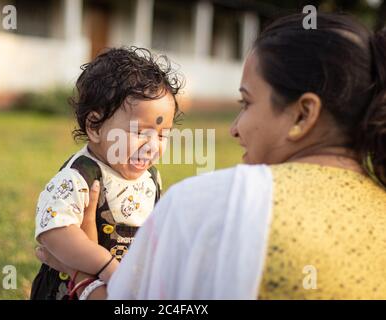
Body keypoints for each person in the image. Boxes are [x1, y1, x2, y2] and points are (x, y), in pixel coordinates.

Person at [37, 12, 386, 299]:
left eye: (246, 102)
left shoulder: (211, 205)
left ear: (303, 114)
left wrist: (85, 279)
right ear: (95, 126)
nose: (234, 128)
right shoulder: (81, 176)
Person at [30, 47, 182, 299]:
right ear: (95, 127)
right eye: (140, 133)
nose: (153, 146)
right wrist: (106, 266)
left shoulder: (150, 179)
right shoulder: (79, 176)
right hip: (68, 292)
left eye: (162, 134)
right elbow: (53, 232)